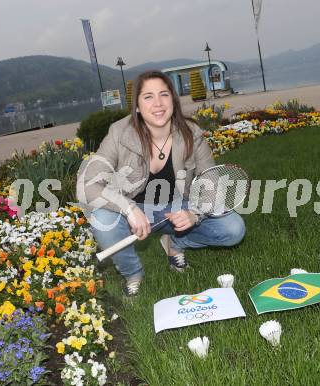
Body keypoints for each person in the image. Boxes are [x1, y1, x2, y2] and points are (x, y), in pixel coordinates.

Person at [77, 70, 245, 296]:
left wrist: (194, 214)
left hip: (178, 208)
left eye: (163, 95)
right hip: (135, 212)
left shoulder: (191, 133)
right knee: (101, 220)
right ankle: (133, 273)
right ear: (136, 106)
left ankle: (176, 243)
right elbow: (87, 184)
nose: (157, 103)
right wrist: (129, 208)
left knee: (234, 229)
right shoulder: (119, 133)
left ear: (173, 101)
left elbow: (211, 183)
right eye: (148, 96)